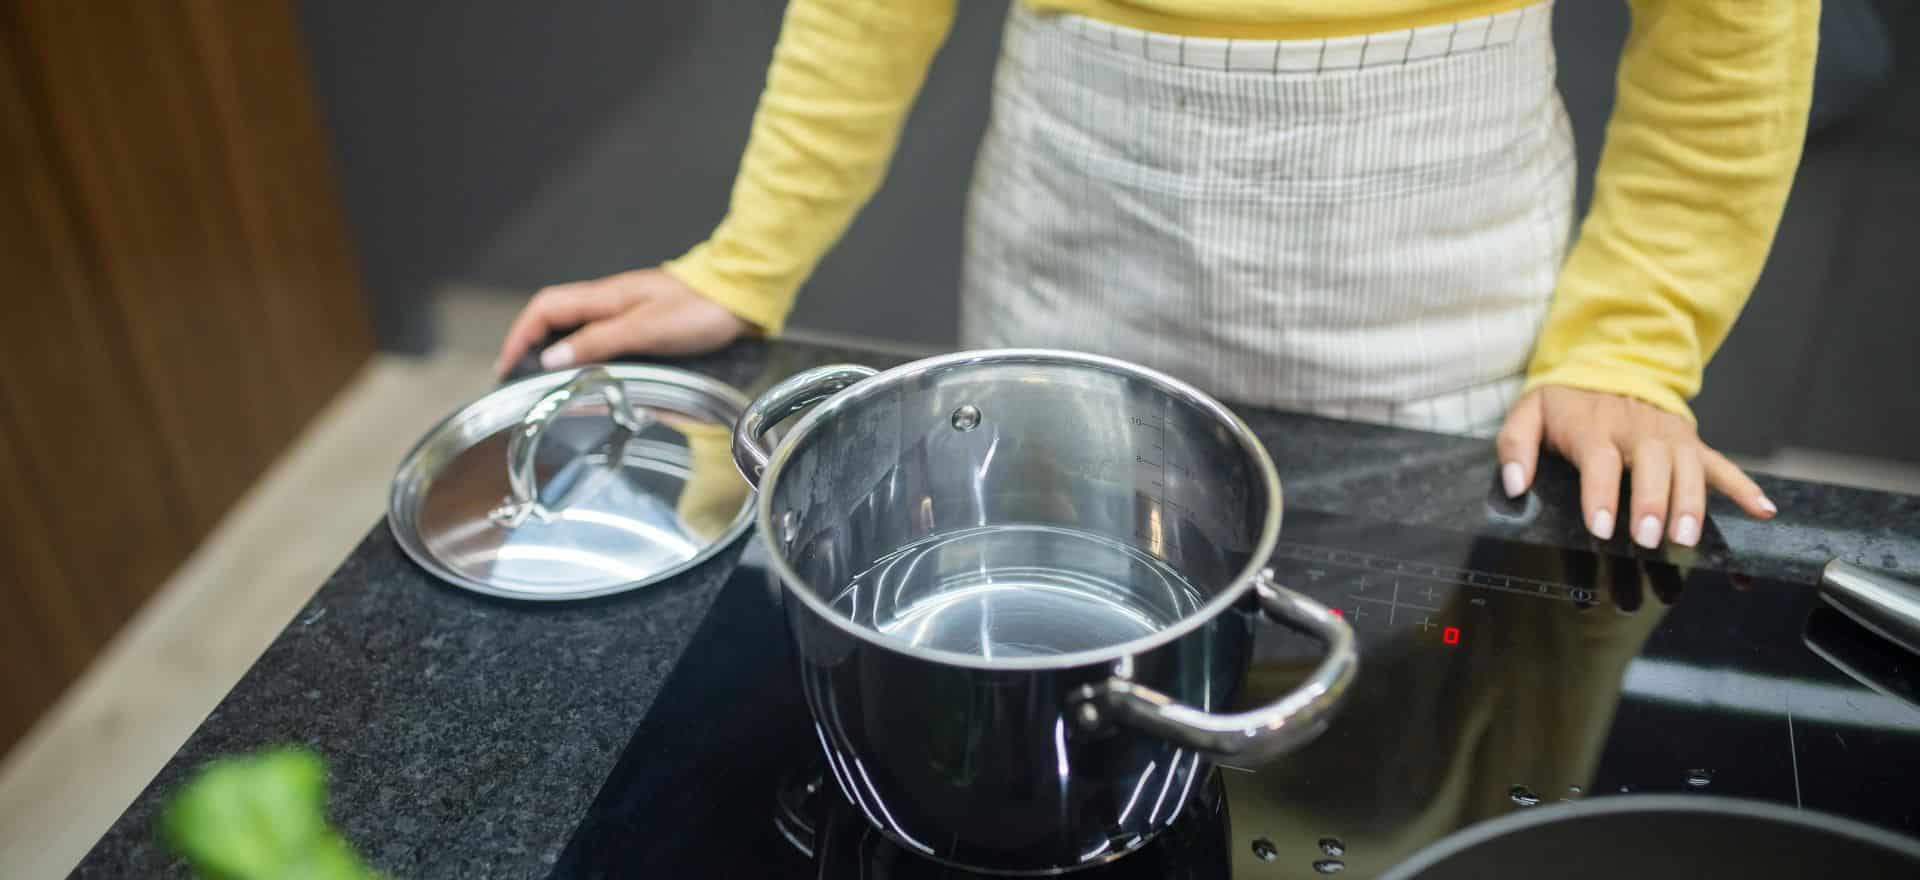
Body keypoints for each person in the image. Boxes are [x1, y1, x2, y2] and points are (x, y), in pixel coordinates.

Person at [496, 0, 1816, 549]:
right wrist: (752, 251)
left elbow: (1730, 24)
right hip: (1080, 229)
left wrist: (1632, 342)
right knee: (1052, 631)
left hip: (1445, 282)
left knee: (1400, 719)